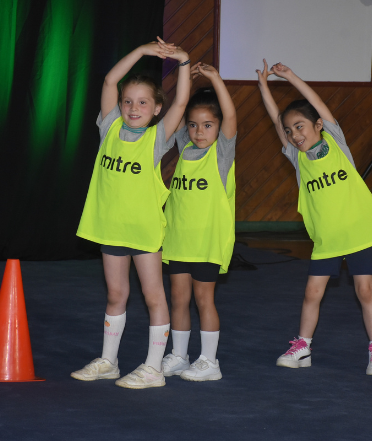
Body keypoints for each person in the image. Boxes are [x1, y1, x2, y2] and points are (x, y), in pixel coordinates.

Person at [256, 59, 372, 376]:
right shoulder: (297, 157)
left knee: (365, 291)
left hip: (357, 232)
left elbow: (316, 103)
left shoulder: (335, 141)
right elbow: (275, 119)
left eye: (300, 126)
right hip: (327, 239)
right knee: (312, 293)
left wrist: (290, 77)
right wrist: (263, 86)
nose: (294, 134)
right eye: (289, 131)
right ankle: (302, 347)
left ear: (318, 125)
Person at [71, 38, 190, 389]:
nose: (133, 108)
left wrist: (183, 62)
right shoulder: (109, 128)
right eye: (128, 101)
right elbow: (110, 80)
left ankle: (153, 368)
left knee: (154, 297)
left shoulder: (157, 138)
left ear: (156, 109)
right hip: (111, 229)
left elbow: (182, 101)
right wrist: (140, 52)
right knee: (115, 295)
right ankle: (109, 361)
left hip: (144, 231)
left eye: (142, 102)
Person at [161, 63, 236, 381]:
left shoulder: (221, 154)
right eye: (194, 125)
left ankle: (209, 362)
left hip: (206, 243)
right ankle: (179, 355)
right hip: (179, 240)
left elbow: (231, 115)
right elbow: (176, 110)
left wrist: (215, 79)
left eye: (207, 125)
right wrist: (184, 82)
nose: (199, 131)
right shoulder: (185, 147)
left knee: (204, 299)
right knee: (178, 299)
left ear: (218, 128)